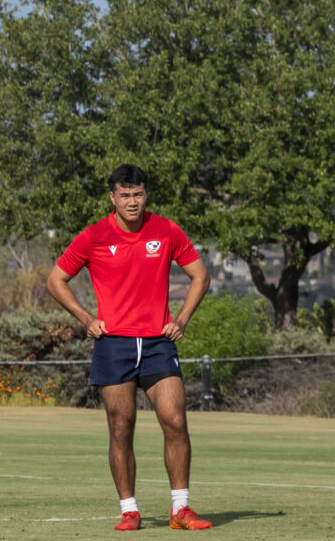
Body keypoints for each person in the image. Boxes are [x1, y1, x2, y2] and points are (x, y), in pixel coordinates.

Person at [47, 163, 213, 532]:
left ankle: (180, 509)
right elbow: (56, 279)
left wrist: (182, 320)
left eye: (138, 194)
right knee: (121, 427)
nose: (132, 201)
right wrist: (86, 318)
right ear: (113, 197)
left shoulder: (166, 230)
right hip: (113, 345)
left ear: (146, 194)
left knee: (175, 420)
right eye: (125, 195)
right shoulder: (93, 236)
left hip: (157, 342)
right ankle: (129, 510)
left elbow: (200, 275)